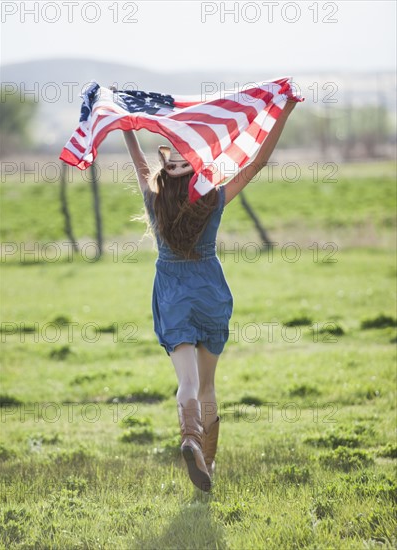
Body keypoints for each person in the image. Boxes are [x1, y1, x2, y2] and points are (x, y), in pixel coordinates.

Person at [122, 99, 297, 492]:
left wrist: (126, 124)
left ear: (165, 172)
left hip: (172, 294)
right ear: (196, 169)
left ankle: (190, 439)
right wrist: (282, 112)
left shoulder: (154, 202)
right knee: (208, 386)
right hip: (210, 292)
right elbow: (256, 164)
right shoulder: (213, 199)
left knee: (186, 383)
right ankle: (209, 462)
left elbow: (137, 163)